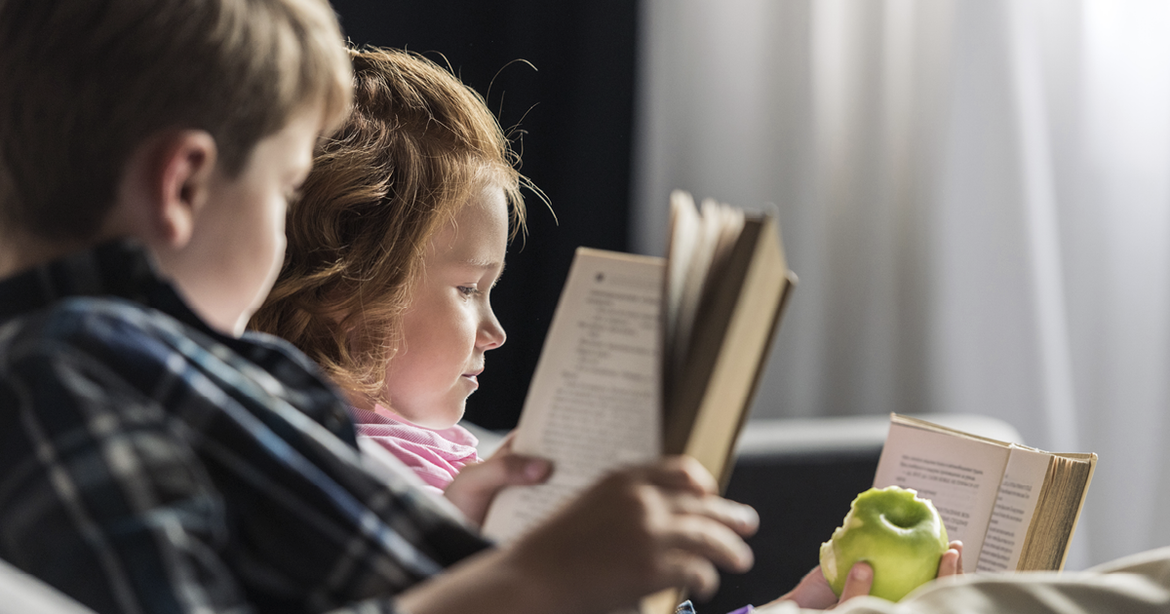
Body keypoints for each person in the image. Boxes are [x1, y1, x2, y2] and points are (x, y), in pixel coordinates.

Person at [0, 1, 761, 613]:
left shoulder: (154, 368)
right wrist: (534, 583)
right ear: (184, 187)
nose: (287, 244)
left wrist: (465, 530)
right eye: (283, 190)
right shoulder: (62, 378)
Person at [250, 47, 544, 525]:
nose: (496, 333)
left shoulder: (429, 446)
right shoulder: (345, 476)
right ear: (343, 290)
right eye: (469, 289)